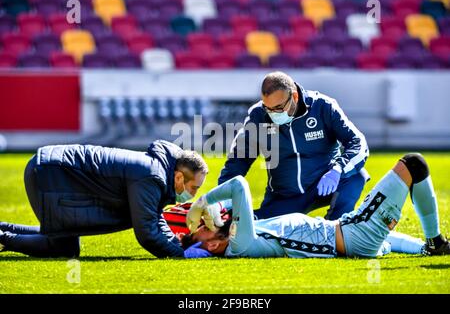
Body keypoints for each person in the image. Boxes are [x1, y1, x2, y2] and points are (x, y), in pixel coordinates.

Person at [183, 153, 450, 258]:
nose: (203, 222)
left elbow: (233, 201)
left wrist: (212, 210)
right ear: (213, 245)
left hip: (349, 230)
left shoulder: (239, 236)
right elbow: (239, 183)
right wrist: (202, 202)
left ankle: (434, 247)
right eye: (200, 229)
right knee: (413, 164)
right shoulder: (239, 243)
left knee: (395, 239)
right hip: (354, 234)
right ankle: (435, 242)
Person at [0, 140, 210, 259]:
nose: (193, 195)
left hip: (50, 170)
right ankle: (3, 237)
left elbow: (153, 217)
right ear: (179, 177)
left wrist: (176, 243)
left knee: (63, 243)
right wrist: (182, 255)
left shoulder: (158, 171)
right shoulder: (152, 177)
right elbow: (147, 233)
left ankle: (3, 232)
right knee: (62, 247)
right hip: (51, 174)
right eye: (194, 188)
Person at [219, 71, 370, 220]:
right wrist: (222, 202)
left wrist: (338, 170)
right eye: (268, 108)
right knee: (250, 230)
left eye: (278, 108)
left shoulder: (322, 106)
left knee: (356, 175)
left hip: (323, 185)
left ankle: (336, 229)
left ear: (295, 97)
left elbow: (358, 143)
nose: (273, 113)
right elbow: (238, 161)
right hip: (284, 197)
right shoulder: (258, 115)